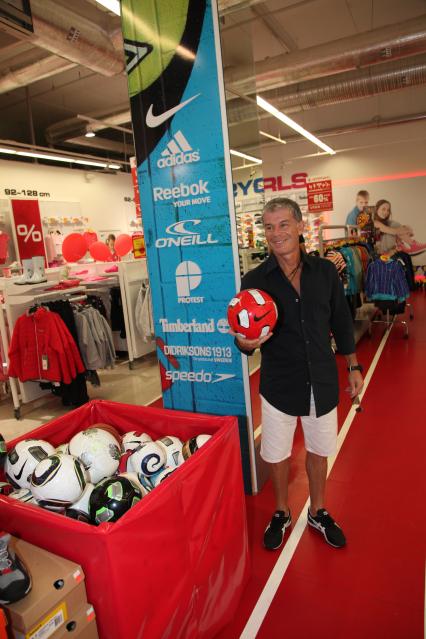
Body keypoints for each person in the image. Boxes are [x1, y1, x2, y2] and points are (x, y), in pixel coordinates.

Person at [231, 197, 364, 551]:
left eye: (283, 224)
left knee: (319, 450)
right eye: (269, 227)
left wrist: (353, 365)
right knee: (277, 454)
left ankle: (318, 511)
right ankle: (281, 511)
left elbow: (341, 320)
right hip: (279, 382)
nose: (276, 233)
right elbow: (244, 338)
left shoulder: (325, 271)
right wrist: (244, 342)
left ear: (301, 226)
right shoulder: (254, 280)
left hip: (321, 378)